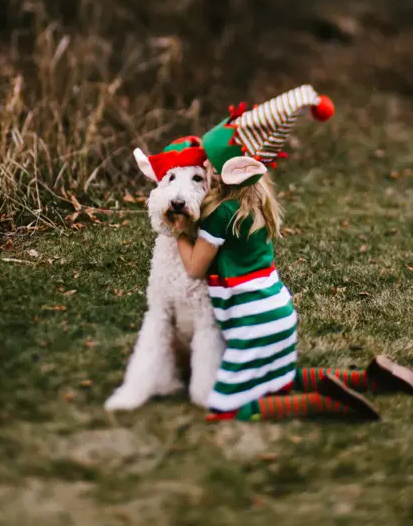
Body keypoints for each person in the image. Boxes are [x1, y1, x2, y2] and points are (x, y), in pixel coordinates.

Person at [174, 85, 413, 421]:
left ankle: (327, 404)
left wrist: (180, 236)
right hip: (278, 313)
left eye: (208, 164)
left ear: (224, 171)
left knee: (225, 410)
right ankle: (368, 379)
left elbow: (195, 268)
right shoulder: (255, 201)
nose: (205, 168)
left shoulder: (218, 215)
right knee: (277, 380)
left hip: (253, 323)